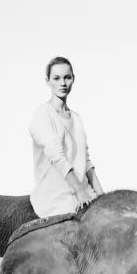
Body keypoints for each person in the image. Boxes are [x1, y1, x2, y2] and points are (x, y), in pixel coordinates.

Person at [29, 57, 104, 218]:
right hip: (57, 195)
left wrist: (102, 196)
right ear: (48, 81)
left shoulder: (76, 118)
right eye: (56, 78)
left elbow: (86, 161)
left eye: (67, 77)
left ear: (73, 79)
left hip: (83, 190)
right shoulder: (43, 114)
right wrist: (79, 190)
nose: (62, 83)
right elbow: (56, 156)